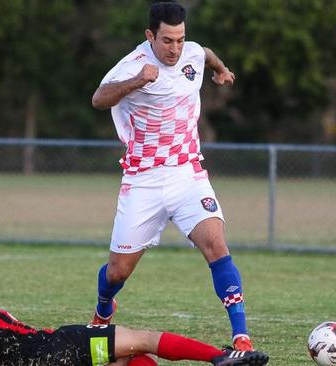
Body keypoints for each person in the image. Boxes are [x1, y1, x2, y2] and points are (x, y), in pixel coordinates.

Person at [90, 2, 256, 352]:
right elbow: (99, 98)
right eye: (167, 40)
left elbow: (206, 53)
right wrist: (137, 82)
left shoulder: (192, 54)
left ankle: (241, 335)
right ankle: (104, 307)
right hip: (143, 180)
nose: (175, 48)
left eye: (180, 39)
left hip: (187, 174)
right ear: (150, 35)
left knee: (217, 246)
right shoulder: (132, 65)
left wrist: (221, 70)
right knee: (117, 272)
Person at [0, 258, 269, 366]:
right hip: (61, 347)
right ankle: (220, 358)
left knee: (128, 357)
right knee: (143, 339)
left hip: (58, 360)